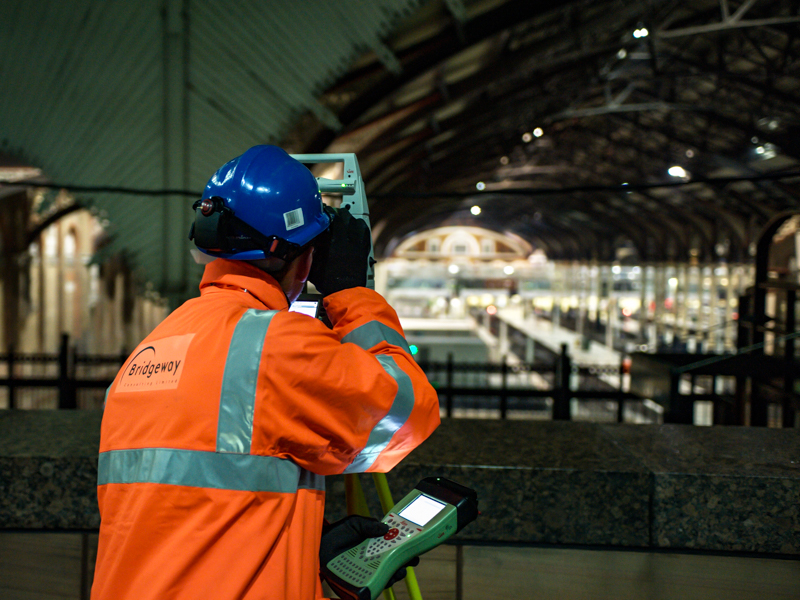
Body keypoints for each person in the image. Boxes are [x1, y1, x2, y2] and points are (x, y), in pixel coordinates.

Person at [91, 145, 441, 600]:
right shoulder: (277, 346)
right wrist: (352, 293)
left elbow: (185, 510)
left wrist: (301, 546)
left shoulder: (154, 347)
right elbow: (407, 412)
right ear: (307, 255)